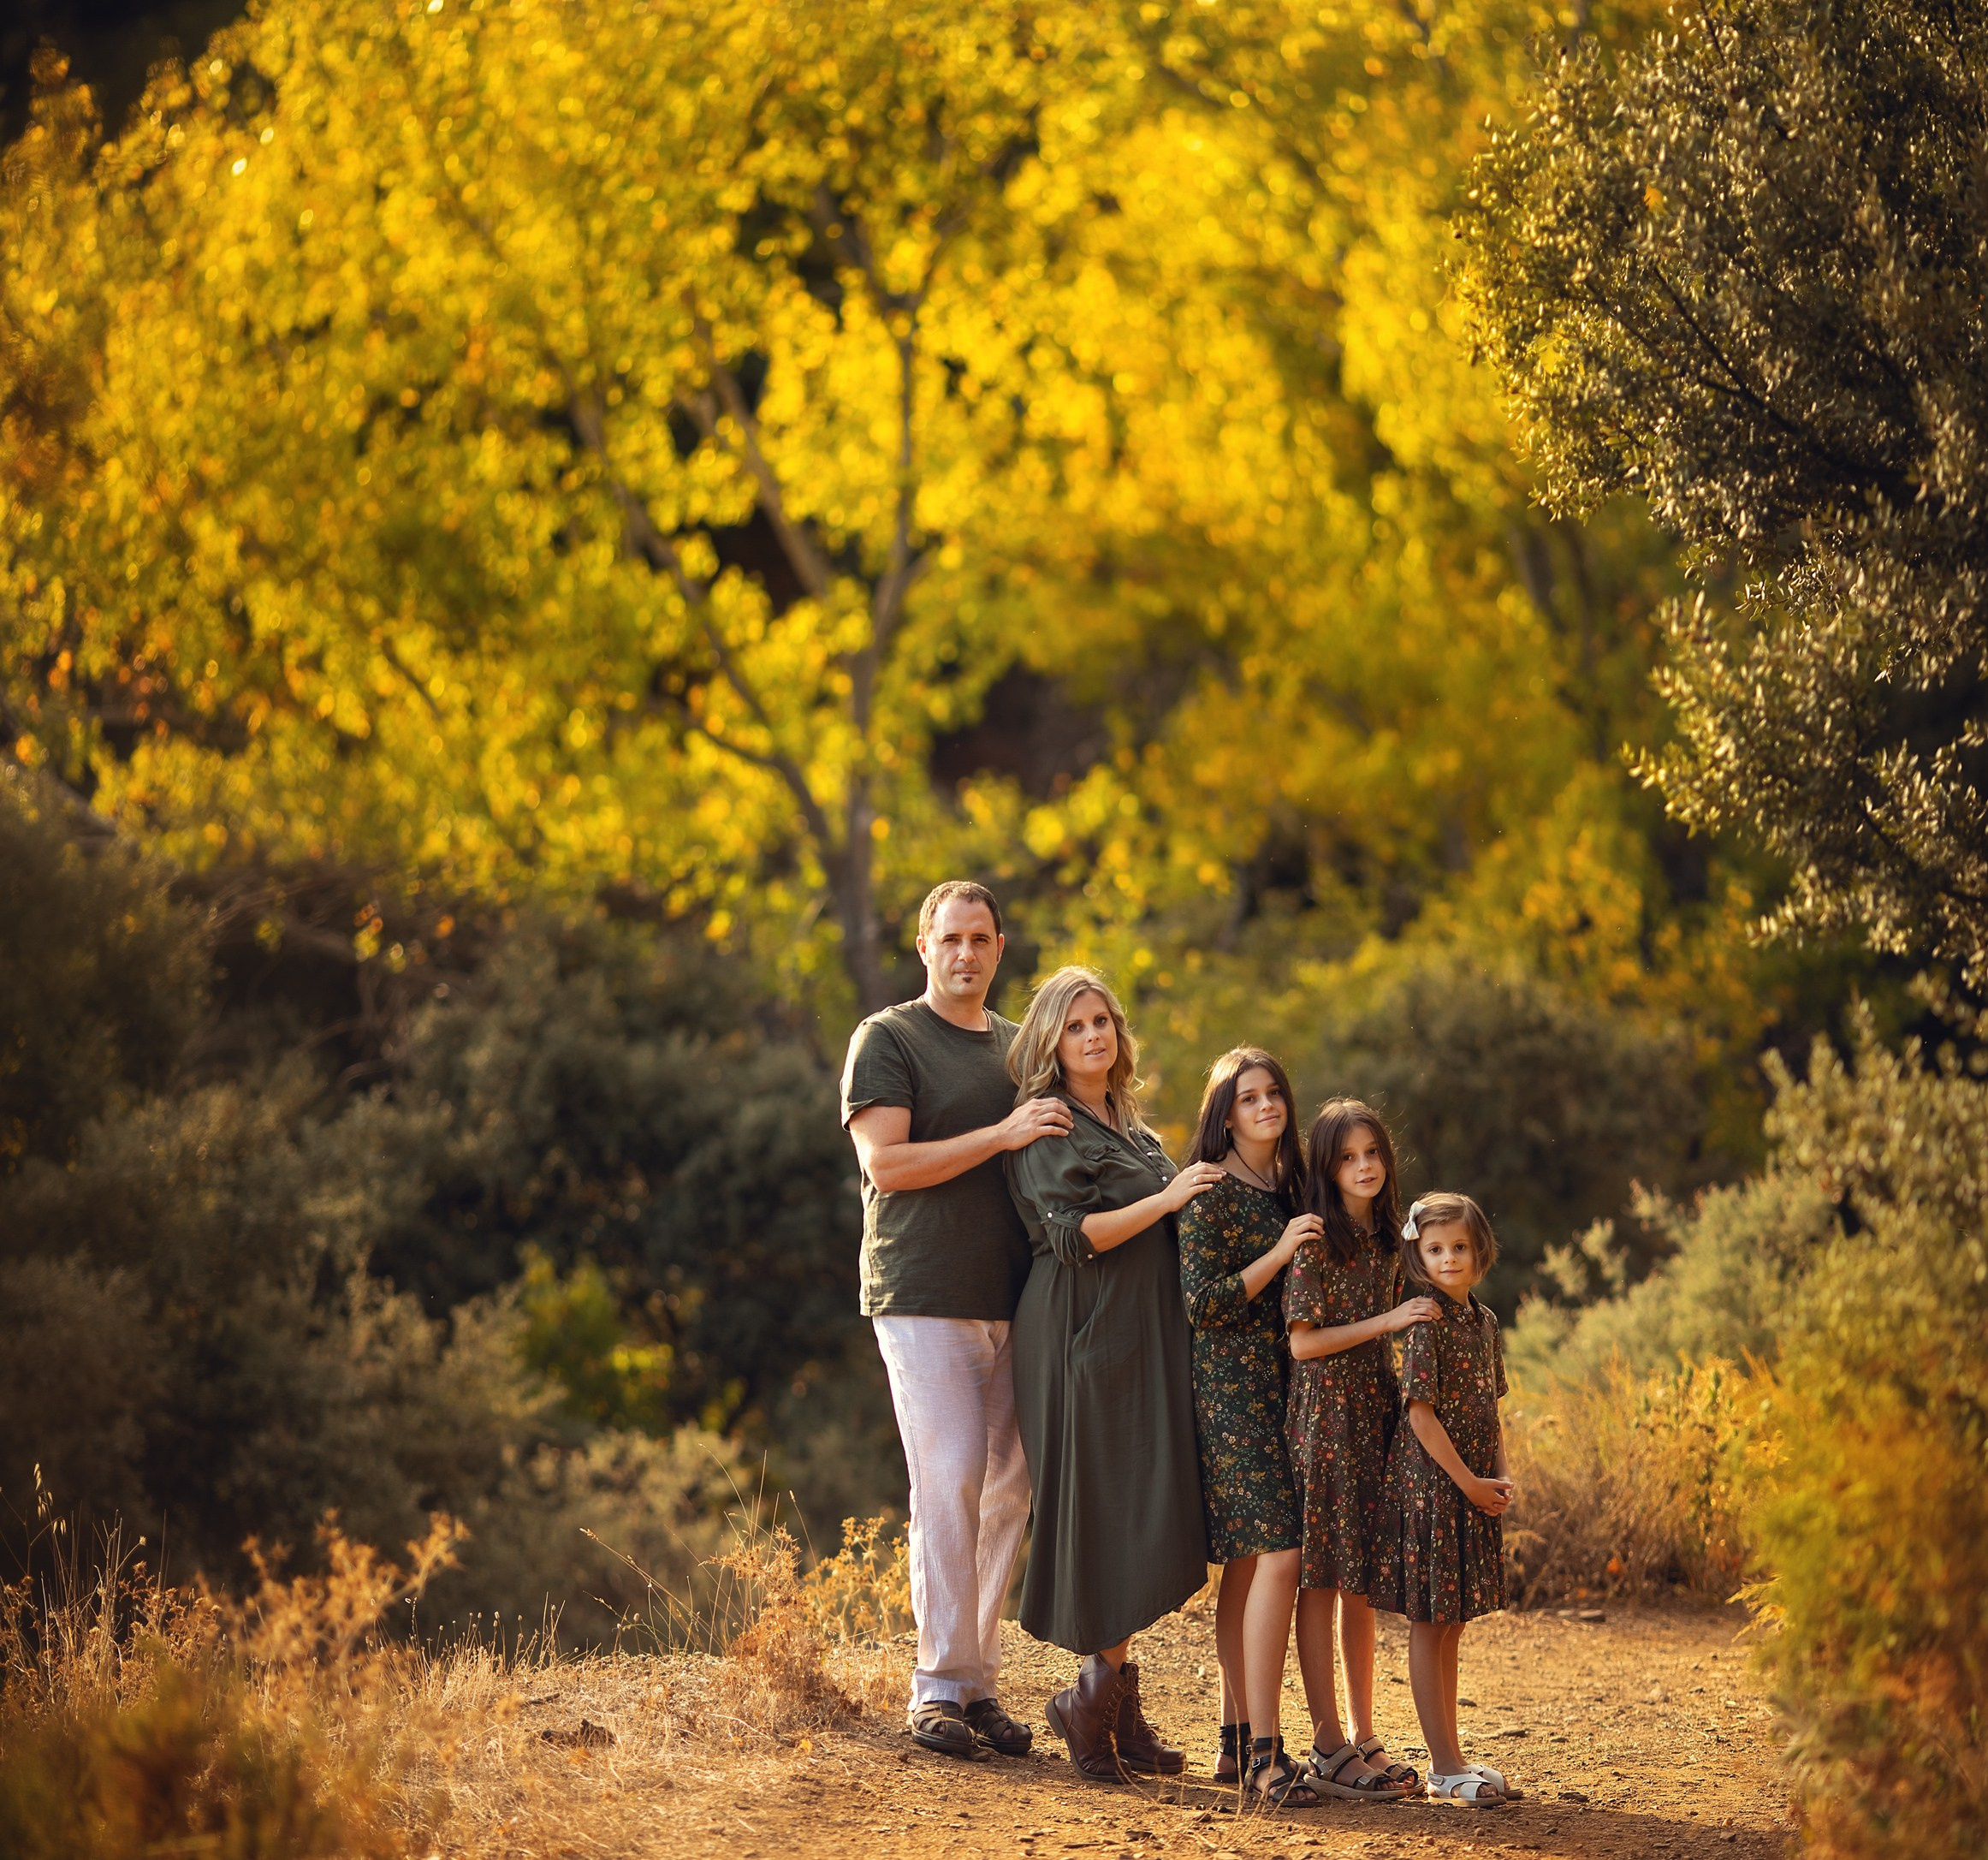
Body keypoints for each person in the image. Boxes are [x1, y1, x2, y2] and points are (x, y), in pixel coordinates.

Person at [840, 880, 1074, 1759]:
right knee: (948, 1479)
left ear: (1000, 948)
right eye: (951, 938)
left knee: (1008, 1489)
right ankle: (935, 1688)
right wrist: (1002, 1134)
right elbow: (888, 1164)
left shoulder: (1021, 1049)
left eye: (981, 938)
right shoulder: (889, 1038)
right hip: (921, 1291)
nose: (966, 953)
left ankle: (975, 1685)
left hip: (1017, 1298)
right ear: (923, 945)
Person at [1002, 966, 1218, 1783]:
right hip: (1077, 1332)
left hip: (1139, 1336)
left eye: (1103, 1021)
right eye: (1076, 1025)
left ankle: (1115, 1707)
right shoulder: (1049, 1125)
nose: (1094, 1035)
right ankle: (1089, 1703)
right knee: (1103, 1507)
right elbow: (1072, 1235)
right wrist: (1168, 1203)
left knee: (1136, 1505)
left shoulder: (1127, 1122)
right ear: (1052, 1041)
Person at [1176, 1047, 1321, 1808]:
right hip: (1229, 1392)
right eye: (1247, 1097)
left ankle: (1233, 1745)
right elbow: (1202, 1303)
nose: (1265, 1106)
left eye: (1273, 1094)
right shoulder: (1210, 1190)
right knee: (1281, 1550)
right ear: (1224, 1113)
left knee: (1244, 1563)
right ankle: (1267, 1757)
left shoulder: (1288, 1186)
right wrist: (1279, 1251)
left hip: (1283, 1388)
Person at [1283, 1098, 1434, 1801]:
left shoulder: (1387, 1239)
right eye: (1346, 1156)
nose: (1363, 1165)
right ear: (1326, 1166)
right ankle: (1323, 1741)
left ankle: (1363, 1731)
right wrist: (1388, 1320)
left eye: (1372, 1152)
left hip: (1371, 1410)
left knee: (1361, 1580)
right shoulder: (1315, 1239)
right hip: (1325, 1417)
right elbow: (1304, 1342)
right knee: (1320, 1573)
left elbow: (1428, 1288)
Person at [1367, 1192, 1516, 1806]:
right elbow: (1421, 1418)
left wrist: (1499, 1476)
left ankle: (1451, 1755)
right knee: (1430, 1623)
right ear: (1418, 1256)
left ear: (1479, 1251)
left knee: (1451, 1622)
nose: (1449, 1258)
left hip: (1472, 1487)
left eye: (1459, 1247)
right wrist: (1468, 1482)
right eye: (1435, 1249)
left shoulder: (1483, 1321)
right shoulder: (1424, 1321)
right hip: (1434, 1489)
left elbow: (1492, 1408)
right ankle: (1442, 1764)